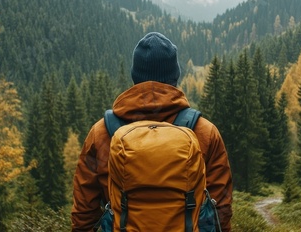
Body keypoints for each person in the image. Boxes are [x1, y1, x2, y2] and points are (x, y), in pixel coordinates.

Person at [71, 32, 233, 231]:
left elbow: (84, 213)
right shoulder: (205, 132)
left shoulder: (102, 133)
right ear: (175, 76)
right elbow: (221, 209)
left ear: (135, 76)